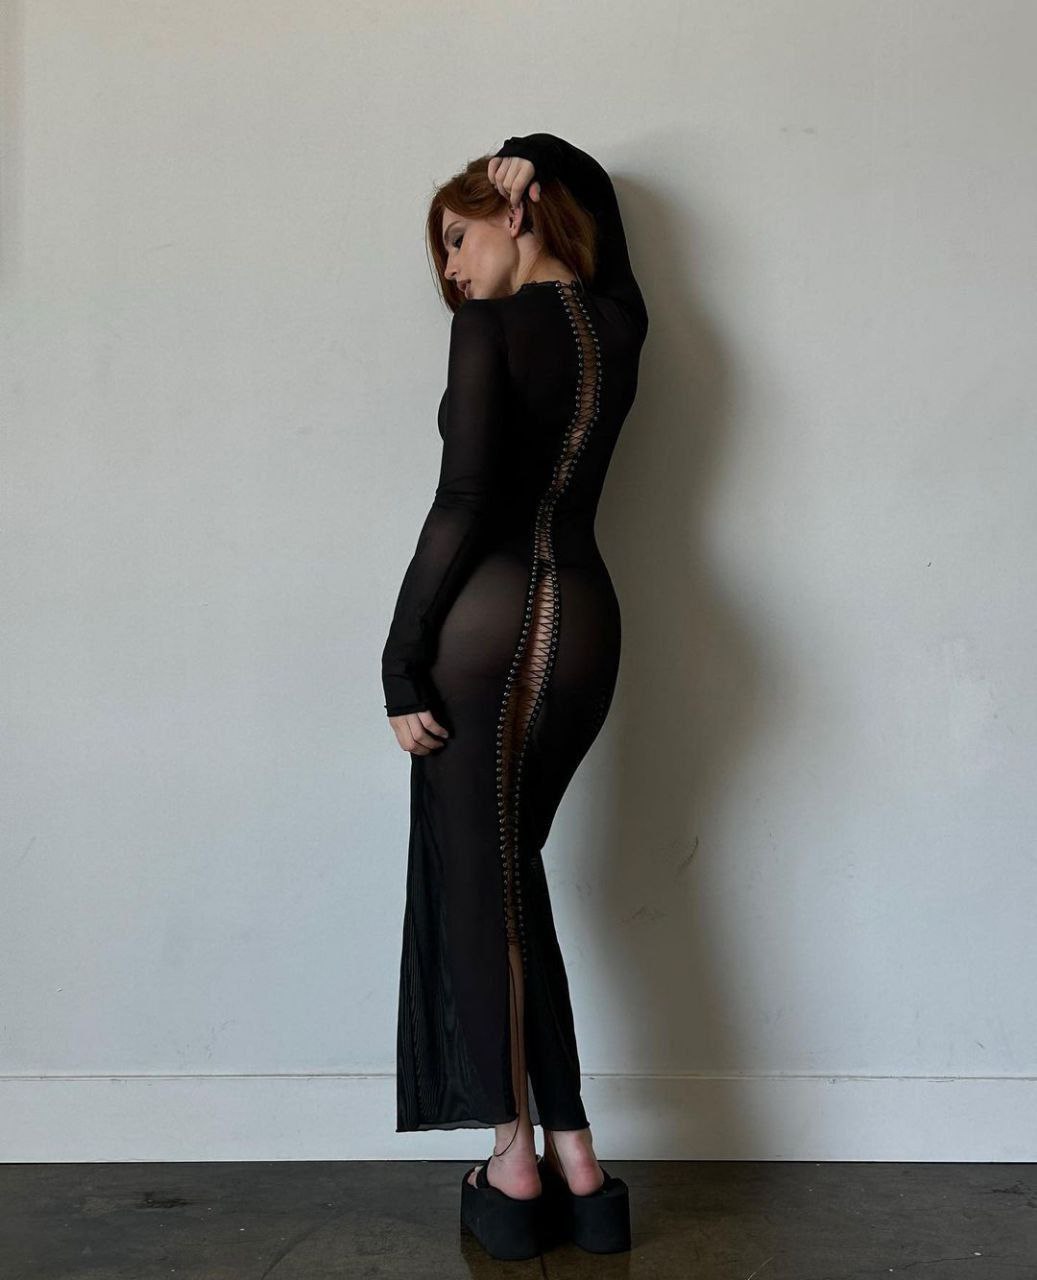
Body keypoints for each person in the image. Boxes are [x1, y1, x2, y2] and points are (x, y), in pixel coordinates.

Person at [381, 131, 648, 1257]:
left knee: (476, 884)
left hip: (484, 630)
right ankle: (575, 1150)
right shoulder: (622, 321)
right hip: (586, 623)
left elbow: (462, 504)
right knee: (508, 873)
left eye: (456, 238)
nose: (450, 272)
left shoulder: (487, 332)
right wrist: (534, 155)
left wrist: (399, 658)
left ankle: (514, 1154)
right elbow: (610, 234)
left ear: (515, 210)